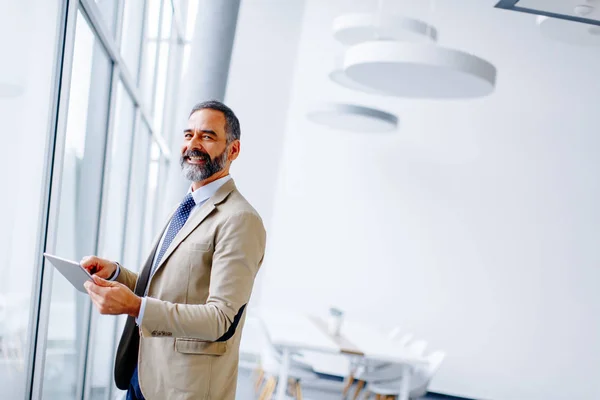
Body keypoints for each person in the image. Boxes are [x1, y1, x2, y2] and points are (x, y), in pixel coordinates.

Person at [81, 100, 266, 400]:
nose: (193, 144)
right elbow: (166, 287)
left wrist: (135, 307)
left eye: (207, 136)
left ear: (233, 150)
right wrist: (115, 274)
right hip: (144, 375)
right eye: (188, 134)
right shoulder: (187, 206)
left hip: (183, 389)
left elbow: (220, 320)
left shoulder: (240, 219)